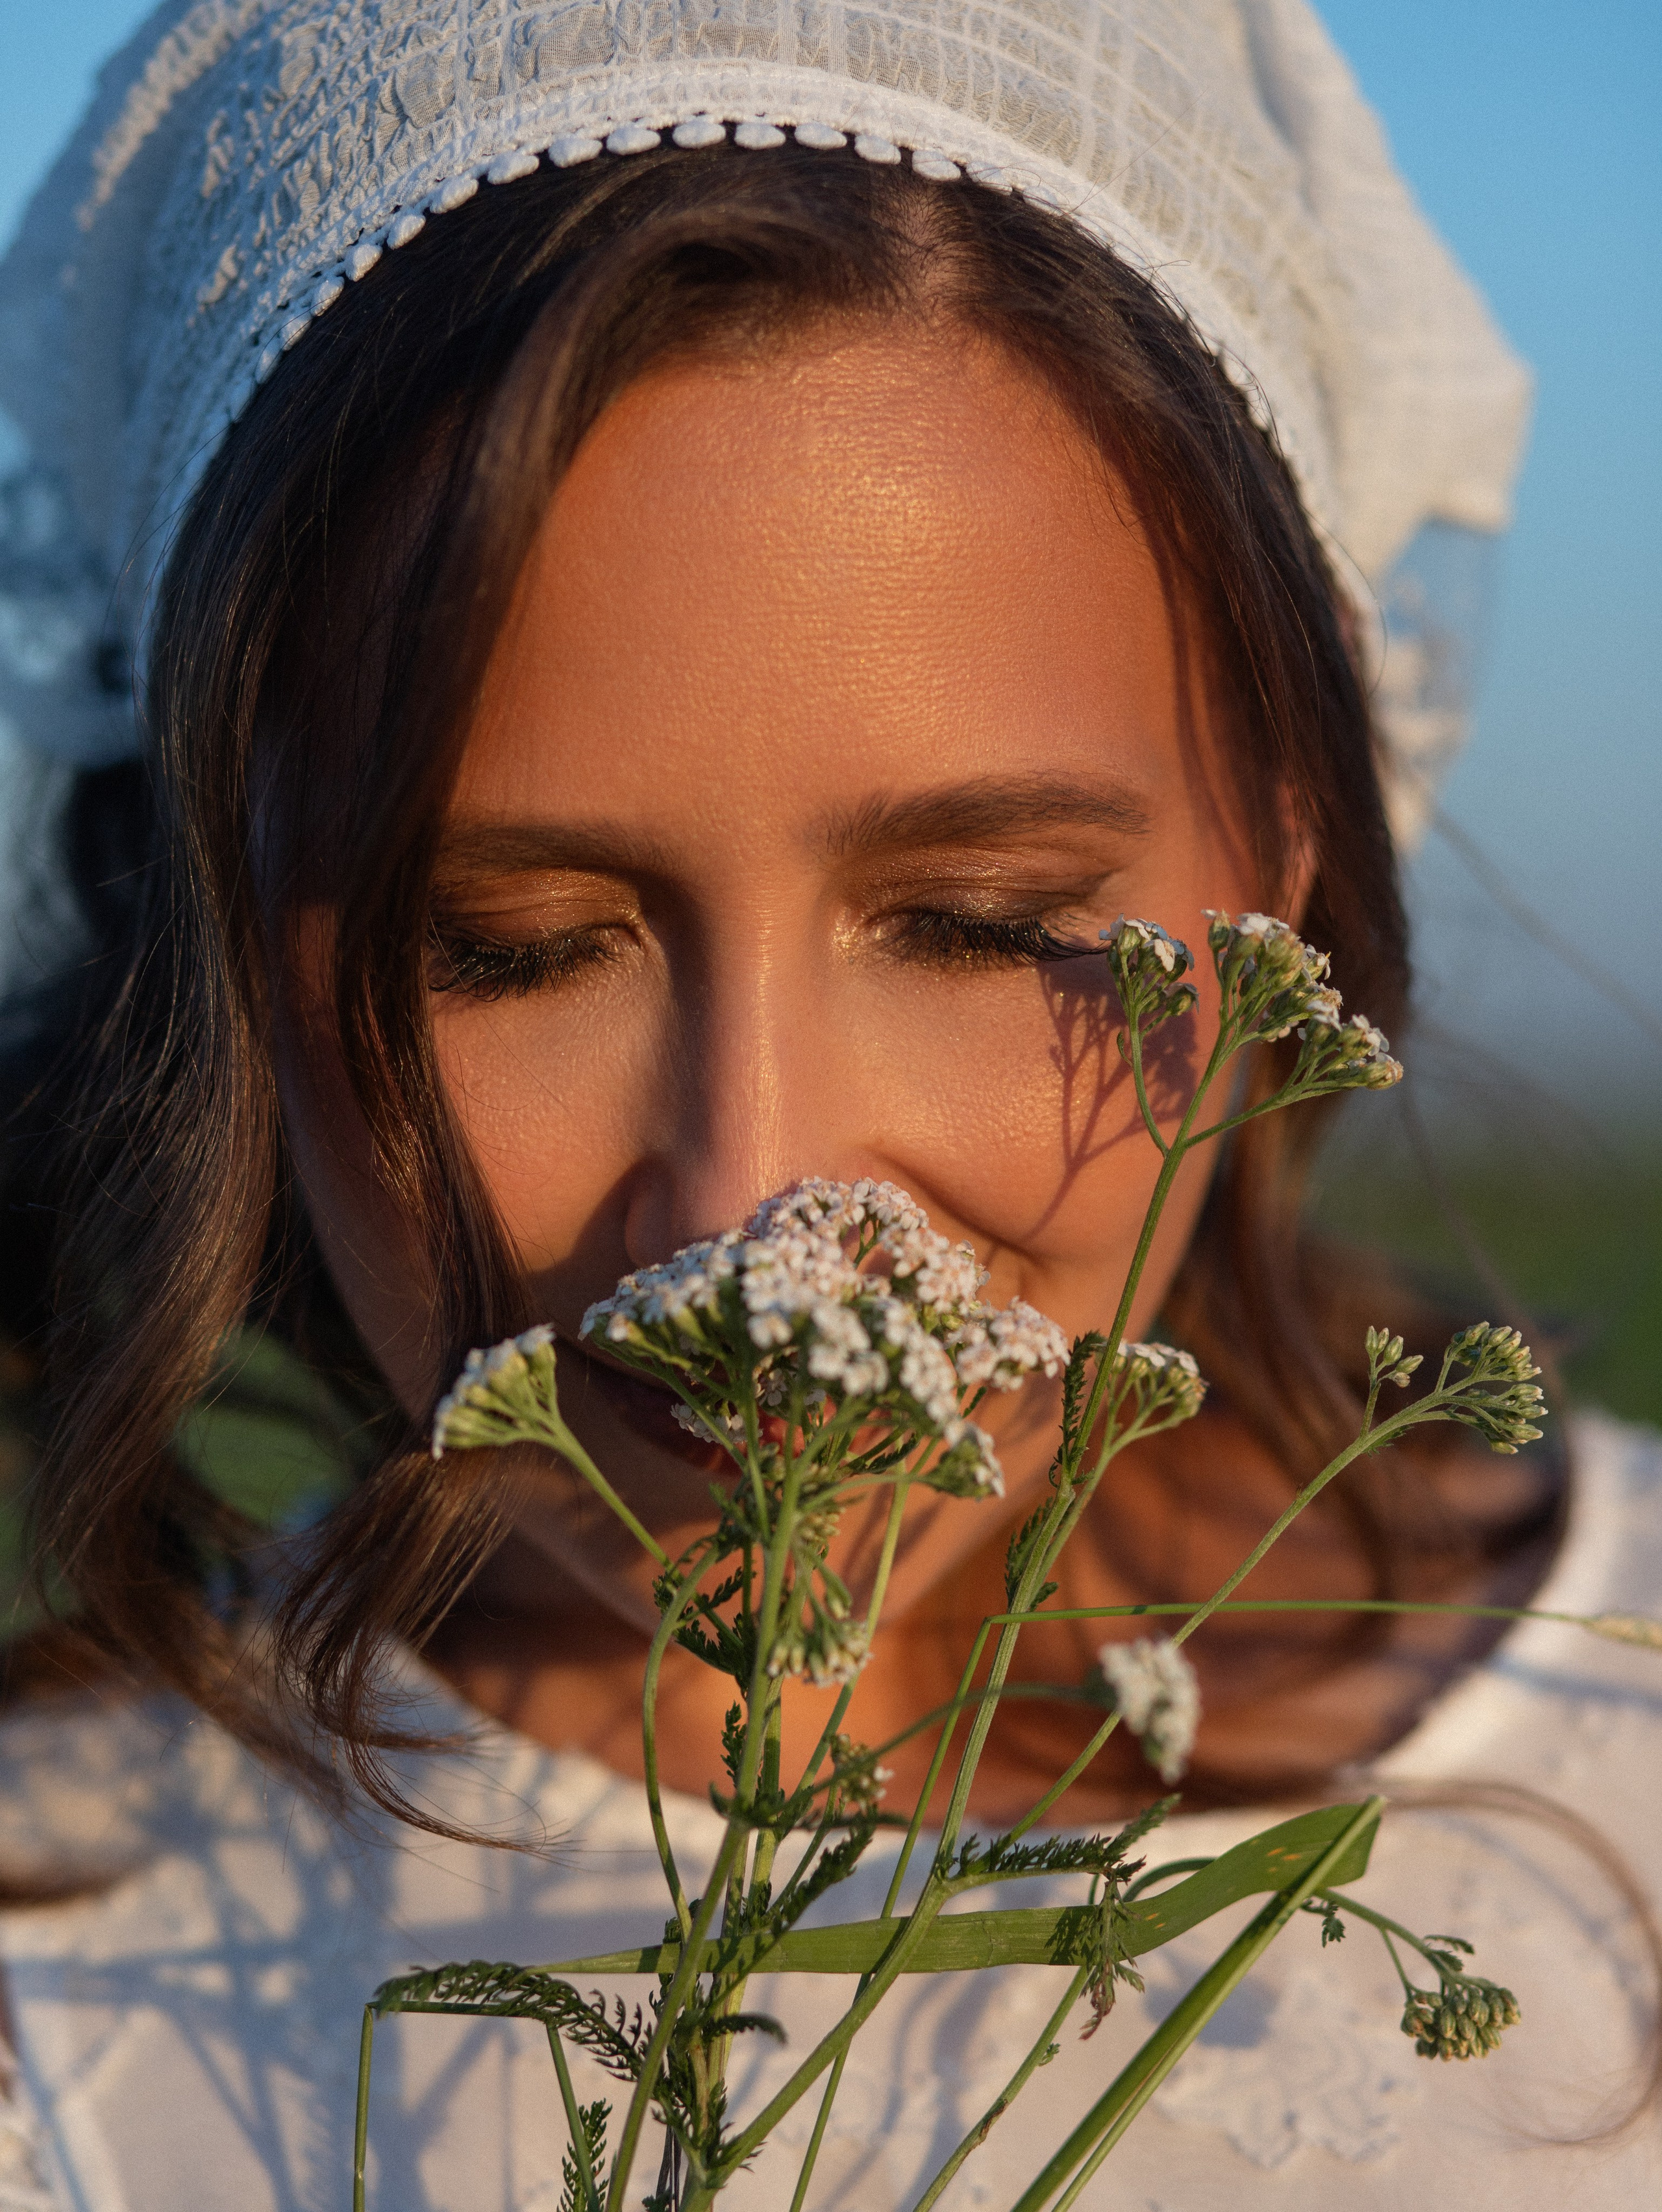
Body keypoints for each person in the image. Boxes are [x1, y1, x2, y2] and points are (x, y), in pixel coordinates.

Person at [0, 1, 1656, 2205]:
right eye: (506, 946)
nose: (753, 1195)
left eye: (976, 920)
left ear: (1281, 864)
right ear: (216, 936)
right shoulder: (61, 1974)